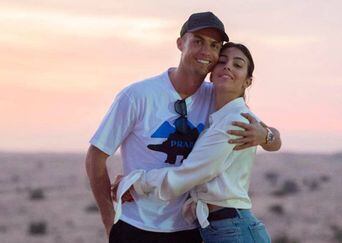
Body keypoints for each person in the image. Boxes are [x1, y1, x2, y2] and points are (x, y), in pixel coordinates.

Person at [85, 12, 281, 243]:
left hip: (191, 230)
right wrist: (110, 223)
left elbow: (273, 138)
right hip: (136, 226)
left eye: (214, 45)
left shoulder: (218, 96)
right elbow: (95, 157)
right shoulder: (137, 96)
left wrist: (266, 135)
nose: (206, 51)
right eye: (197, 41)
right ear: (180, 43)